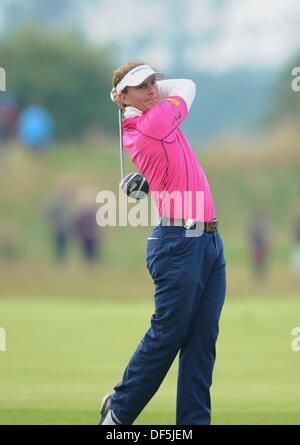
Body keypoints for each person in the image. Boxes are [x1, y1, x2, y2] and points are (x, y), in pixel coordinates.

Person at [99, 61, 226, 425]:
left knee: (201, 342)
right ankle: (118, 413)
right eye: (142, 86)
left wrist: (135, 94)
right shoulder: (153, 124)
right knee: (168, 336)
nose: (153, 89)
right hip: (178, 243)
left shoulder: (146, 120)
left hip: (208, 241)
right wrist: (136, 98)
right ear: (123, 98)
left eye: (154, 81)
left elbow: (177, 87)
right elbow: (188, 85)